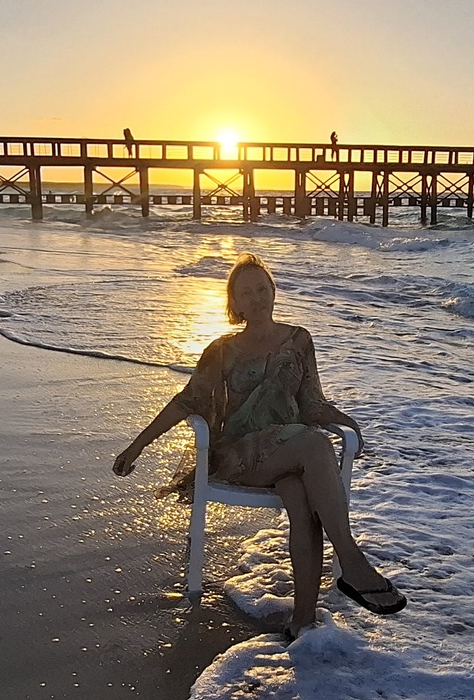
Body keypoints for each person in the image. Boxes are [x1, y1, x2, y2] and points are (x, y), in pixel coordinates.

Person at [112, 252, 407, 638]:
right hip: (241, 456)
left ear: (273, 292)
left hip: (291, 454)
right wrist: (137, 446)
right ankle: (351, 561)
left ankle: (302, 620)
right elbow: (187, 401)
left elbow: (311, 402)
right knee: (315, 444)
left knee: (301, 500)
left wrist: (345, 421)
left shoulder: (299, 339)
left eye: (262, 289)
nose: (256, 298)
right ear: (234, 303)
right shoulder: (222, 349)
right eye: (246, 292)